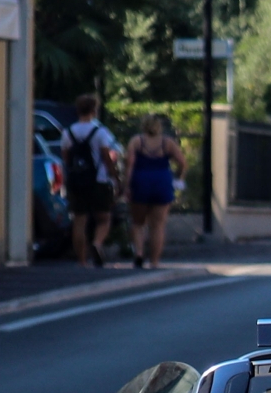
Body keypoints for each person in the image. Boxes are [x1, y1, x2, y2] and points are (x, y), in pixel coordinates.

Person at [61, 94, 123, 268]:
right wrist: (116, 178)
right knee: (103, 218)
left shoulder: (68, 132)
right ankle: (97, 243)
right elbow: (107, 157)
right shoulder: (100, 132)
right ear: (94, 110)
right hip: (99, 180)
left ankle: (82, 260)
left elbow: (65, 157)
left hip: (76, 180)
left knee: (79, 220)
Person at [123, 114, 184, 270]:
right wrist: (178, 178)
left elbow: (129, 165)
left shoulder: (136, 142)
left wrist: (127, 186)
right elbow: (182, 162)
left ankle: (139, 253)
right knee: (158, 225)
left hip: (141, 180)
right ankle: (154, 261)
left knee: (138, 222)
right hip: (162, 181)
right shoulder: (168, 143)